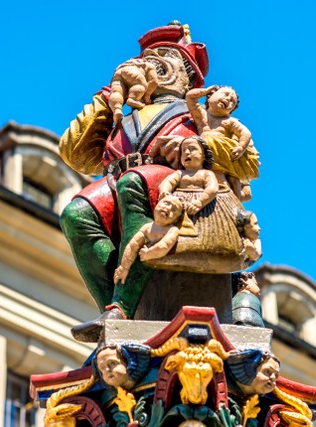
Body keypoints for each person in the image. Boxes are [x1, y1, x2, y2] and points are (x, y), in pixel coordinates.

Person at [59, 23, 210, 342]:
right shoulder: (121, 114)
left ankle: (121, 307)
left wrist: (194, 147)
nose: (154, 62)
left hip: (170, 184)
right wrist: (108, 94)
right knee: (76, 214)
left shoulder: (194, 114)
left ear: (187, 76)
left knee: (134, 183)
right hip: (119, 180)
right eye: (149, 57)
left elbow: (231, 153)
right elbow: (75, 154)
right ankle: (113, 312)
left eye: (167, 55)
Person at [186, 85, 260, 201]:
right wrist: (204, 91)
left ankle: (235, 199)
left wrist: (240, 147)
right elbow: (190, 97)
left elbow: (245, 133)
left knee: (232, 179)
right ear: (210, 97)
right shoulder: (201, 115)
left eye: (232, 102)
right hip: (207, 153)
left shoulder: (228, 121)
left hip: (225, 154)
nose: (228, 100)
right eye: (225, 94)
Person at [114, 196, 183, 285]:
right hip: (143, 266)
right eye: (166, 203)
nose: (168, 208)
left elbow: (164, 245)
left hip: (160, 272)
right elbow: (132, 246)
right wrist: (124, 267)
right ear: (157, 204)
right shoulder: (147, 227)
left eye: (174, 210)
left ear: (176, 219)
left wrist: (149, 253)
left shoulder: (172, 230)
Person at [158, 136, 218, 217]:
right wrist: (164, 191)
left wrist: (200, 202)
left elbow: (212, 188)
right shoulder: (179, 173)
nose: (186, 152)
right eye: (183, 151)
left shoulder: (206, 173)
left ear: (204, 155)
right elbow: (168, 182)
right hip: (179, 207)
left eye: (192, 149)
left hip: (202, 207)